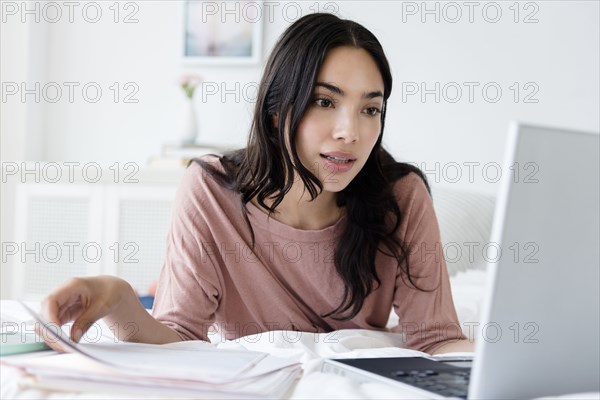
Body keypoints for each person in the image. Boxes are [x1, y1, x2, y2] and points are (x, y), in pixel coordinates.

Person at [40, 13, 472, 355]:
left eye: (370, 109)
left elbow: (435, 340)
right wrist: (121, 303)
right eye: (325, 101)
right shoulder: (211, 190)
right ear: (276, 109)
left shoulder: (401, 195)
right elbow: (180, 338)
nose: (350, 132)